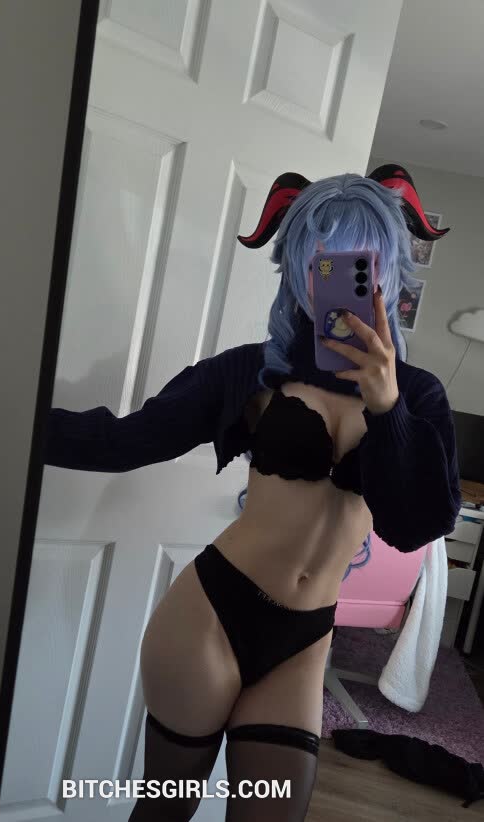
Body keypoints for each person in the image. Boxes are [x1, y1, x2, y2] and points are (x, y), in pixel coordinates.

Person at [44, 164, 461, 821]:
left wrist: (387, 407)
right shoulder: (253, 370)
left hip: (304, 640)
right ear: (298, 268)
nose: (337, 284)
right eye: (323, 264)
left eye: (357, 265)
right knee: (165, 811)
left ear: (385, 270)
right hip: (211, 614)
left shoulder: (419, 396)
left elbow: (417, 525)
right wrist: (12, 420)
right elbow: (122, 443)